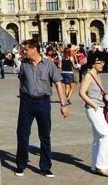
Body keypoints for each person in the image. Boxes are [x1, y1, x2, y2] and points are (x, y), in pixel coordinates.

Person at [14, 39, 70, 178]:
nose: (23, 51)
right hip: (26, 102)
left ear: (35, 49)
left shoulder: (49, 65)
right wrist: (22, 95)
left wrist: (63, 105)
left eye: (26, 49)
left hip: (43, 102)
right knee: (22, 134)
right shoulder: (24, 65)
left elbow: (58, 83)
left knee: (45, 136)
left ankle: (45, 167)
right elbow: (21, 81)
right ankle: (21, 165)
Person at [78, 57, 108, 177]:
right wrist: (94, 105)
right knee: (107, 135)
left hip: (99, 108)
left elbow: (96, 91)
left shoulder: (97, 75)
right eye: (100, 62)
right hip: (93, 109)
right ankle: (102, 166)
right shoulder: (88, 75)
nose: (103, 64)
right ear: (93, 63)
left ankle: (94, 166)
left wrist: (105, 96)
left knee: (98, 138)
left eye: (104, 62)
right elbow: (81, 92)